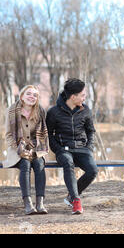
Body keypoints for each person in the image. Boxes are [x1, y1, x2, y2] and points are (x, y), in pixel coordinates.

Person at [46, 78, 98, 215]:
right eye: (82, 95)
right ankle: (76, 200)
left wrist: (89, 147)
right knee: (68, 163)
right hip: (64, 150)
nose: (84, 97)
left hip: (82, 149)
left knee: (93, 171)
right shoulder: (53, 112)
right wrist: (58, 149)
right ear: (73, 97)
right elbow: (49, 135)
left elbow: (91, 131)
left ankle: (71, 195)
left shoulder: (86, 110)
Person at [4, 85, 49, 215]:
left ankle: (40, 203)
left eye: (35, 95)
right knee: (25, 163)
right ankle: (28, 204)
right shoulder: (12, 110)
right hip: (16, 148)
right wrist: (19, 149)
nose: (32, 97)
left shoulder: (40, 111)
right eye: (29, 94)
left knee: (39, 163)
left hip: (36, 147)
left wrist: (35, 150)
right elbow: (8, 135)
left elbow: (43, 135)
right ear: (22, 96)